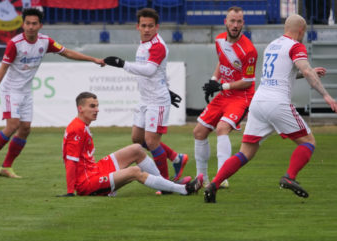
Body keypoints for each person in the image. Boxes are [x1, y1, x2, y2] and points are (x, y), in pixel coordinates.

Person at [204, 14, 337, 203]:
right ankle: (289, 177)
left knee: (246, 152)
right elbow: (305, 70)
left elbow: (288, 73)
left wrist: (309, 73)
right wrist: (326, 95)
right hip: (277, 102)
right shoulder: (296, 46)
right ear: (301, 31)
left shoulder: (272, 45)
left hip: (258, 102)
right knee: (308, 141)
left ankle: (214, 184)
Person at [0, 8, 105, 178]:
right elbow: (3, 67)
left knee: (25, 128)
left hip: (26, 91)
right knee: (12, 125)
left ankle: (6, 166)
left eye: (34, 23)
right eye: (27, 23)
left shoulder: (45, 42)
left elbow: (67, 53)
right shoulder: (15, 43)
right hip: (10, 90)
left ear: (40, 25)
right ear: (23, 24)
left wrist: (93, 59)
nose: (30, 27)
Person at [58, 92, 203, 197]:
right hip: (87, 183)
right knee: (134, 172)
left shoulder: (81, 125)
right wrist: (71, 192)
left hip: (94, 170)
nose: (97, 110)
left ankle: (164, 185)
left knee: (137, 149)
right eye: (92, 106)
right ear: (80, 108)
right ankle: (183, 190)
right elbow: (71, 161)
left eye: (97, 106)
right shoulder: (76, 128)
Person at [103, 8, 188, 185]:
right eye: (144, 26)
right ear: (137, 27)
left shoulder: (158, 45)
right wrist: (167, 88)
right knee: (137, 139)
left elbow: (150, 71)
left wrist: (122, 64)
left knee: (151, 141)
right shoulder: (143, 44)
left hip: (157, 100)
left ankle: (164, 183)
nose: (147, 29)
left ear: (157, 27)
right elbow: (159, 72)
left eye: (151, 26)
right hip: (145, 98)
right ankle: (175, 157)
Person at [193, 6, 258, 188]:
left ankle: (221, 179)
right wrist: (213, 81)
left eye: (239, 21)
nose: (235, 25)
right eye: (232, 21)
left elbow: (247, 81)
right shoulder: (219, 40)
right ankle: (201, 179)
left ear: (243, 23)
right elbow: (222, 63)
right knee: (199, 131)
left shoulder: (249, 51)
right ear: (226, 22)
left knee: (222, 128)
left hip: (241, 97)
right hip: (225, 94)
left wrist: (221, 85)